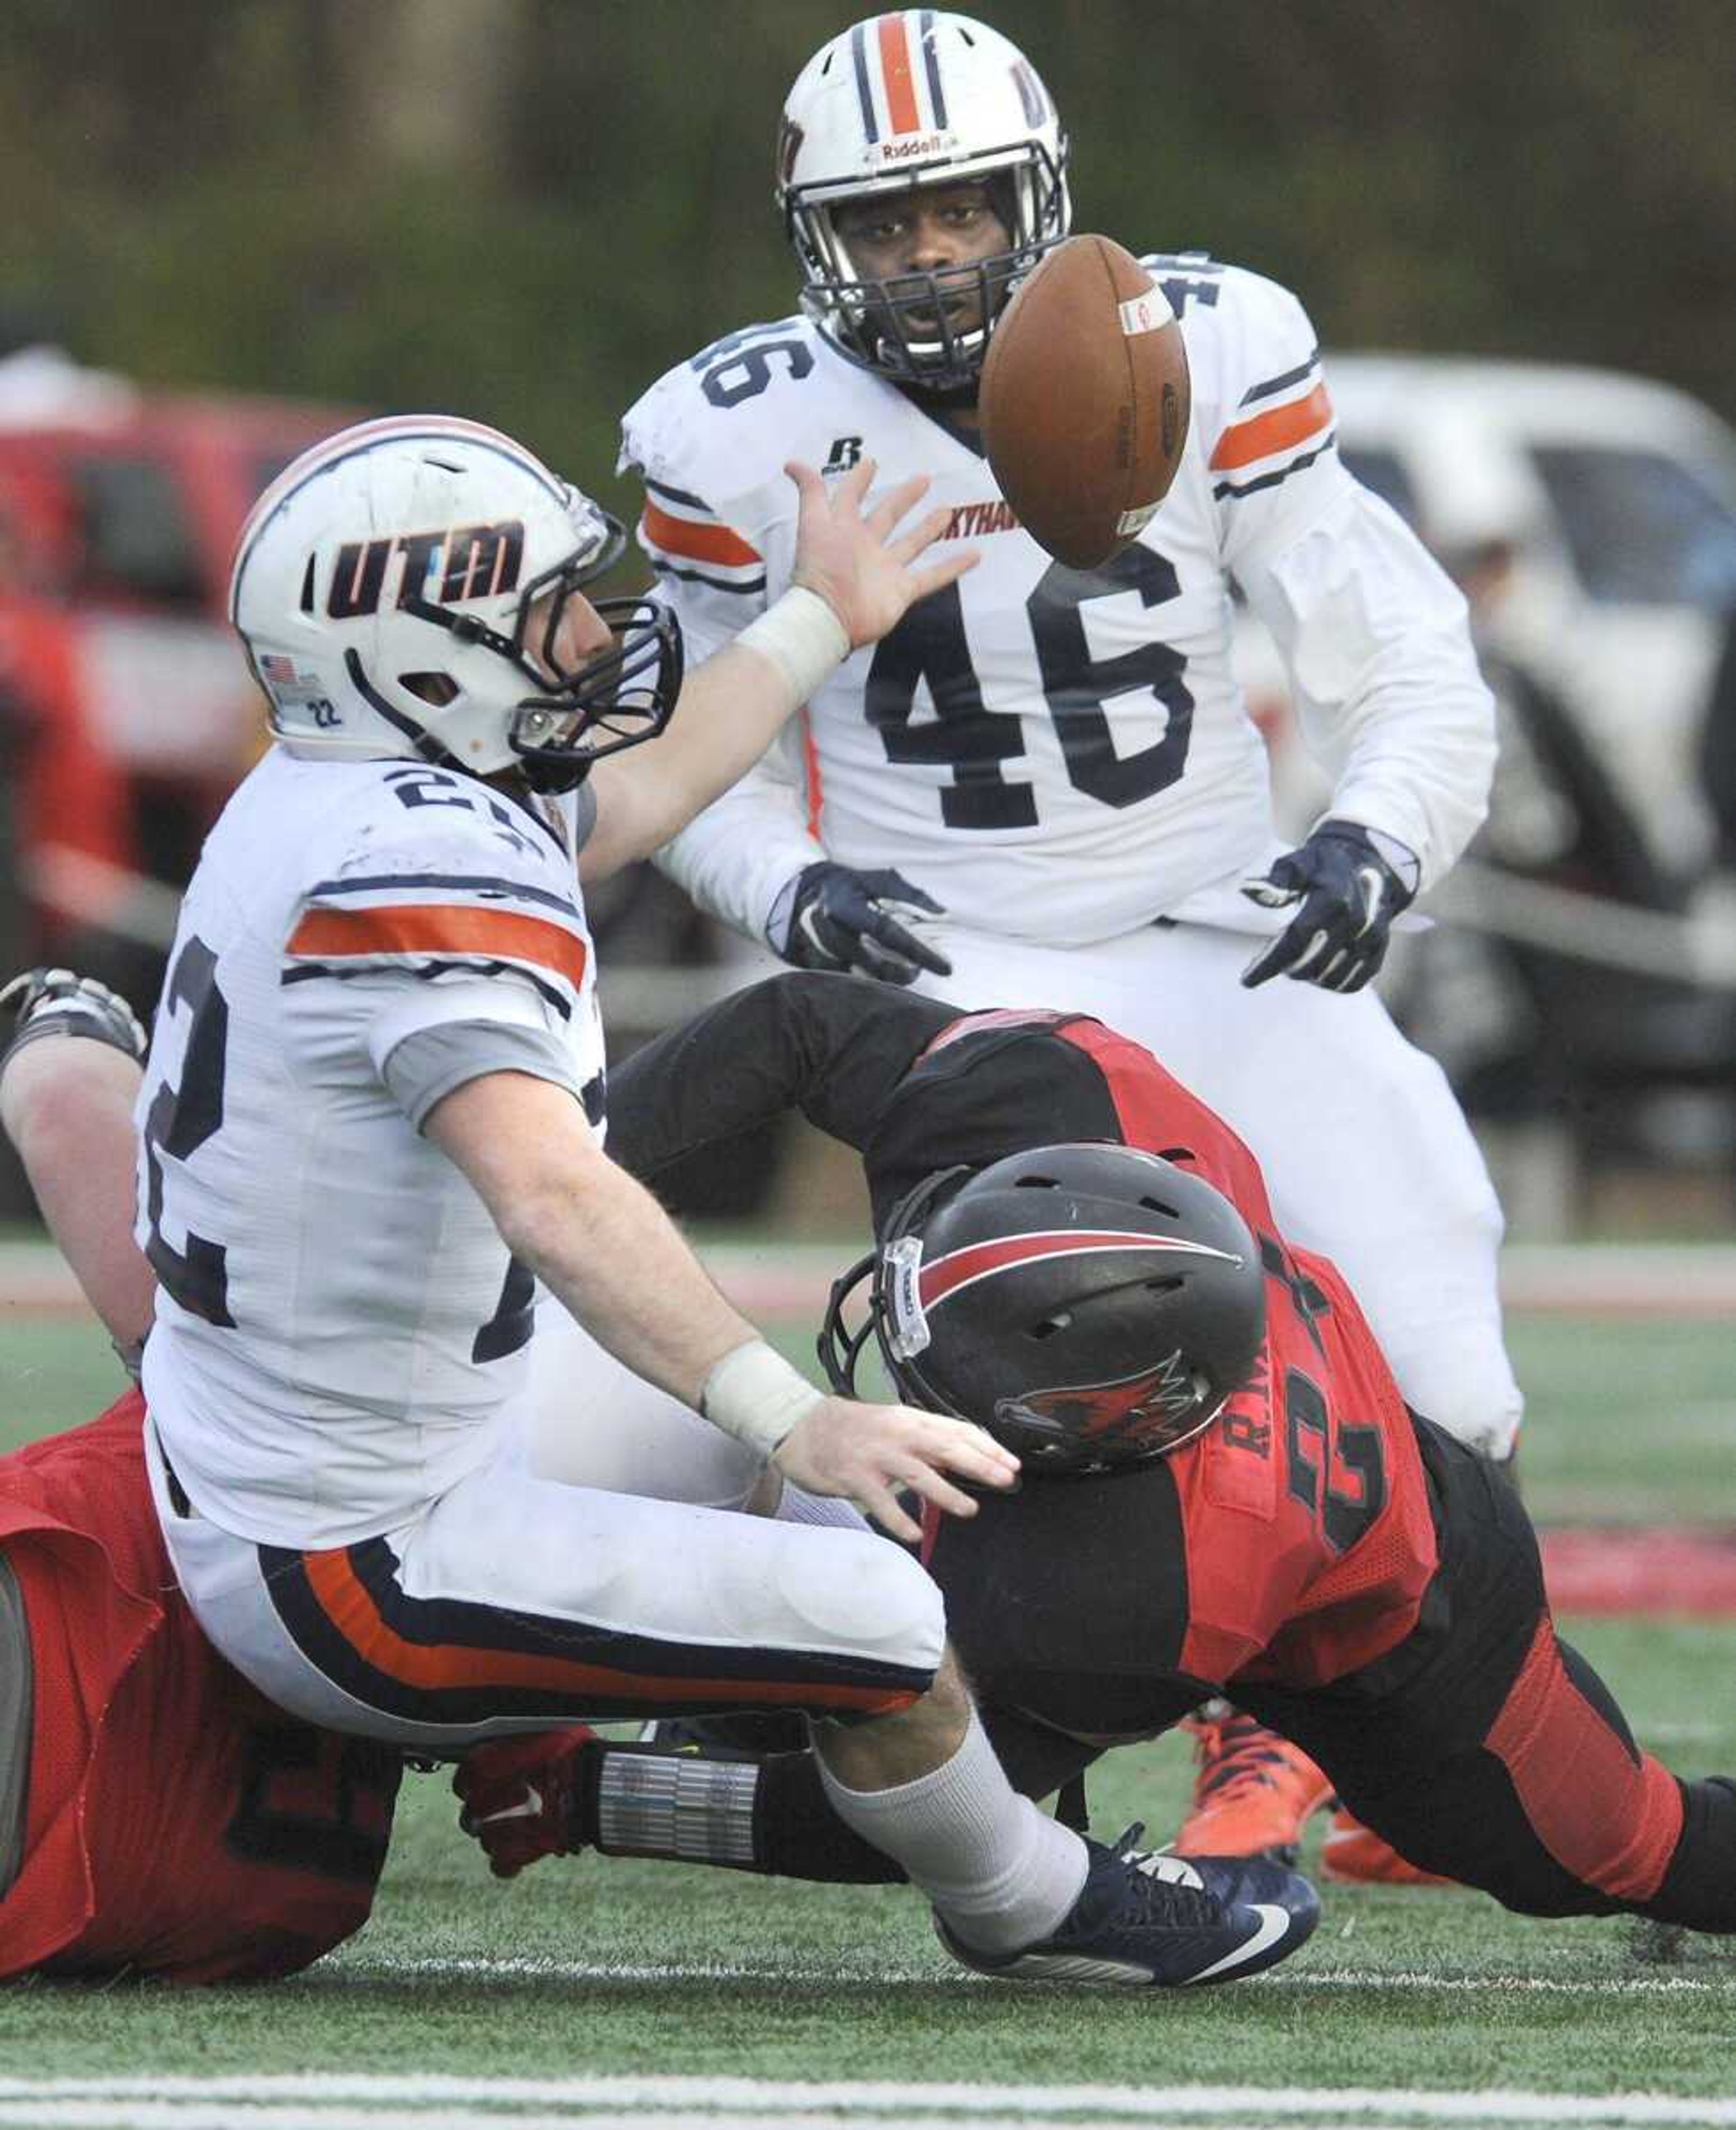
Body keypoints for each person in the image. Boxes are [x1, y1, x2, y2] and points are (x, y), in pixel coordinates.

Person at [118, 410, 1318, 1990]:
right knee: (878, 1615)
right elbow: (554, 1192)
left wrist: (826, 611)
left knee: (856, 1507)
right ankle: (1035, 1909)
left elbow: (628, 800)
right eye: (538, 608)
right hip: (357, 1546)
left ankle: (677, 1735)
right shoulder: (410, 871)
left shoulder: (343, 781)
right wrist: (782, 1410)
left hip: (362, 1424)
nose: (584, 633)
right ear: (416, 658)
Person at [617, 11, 1518, 1873]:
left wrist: (1374, 840)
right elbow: (688, 756)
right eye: (887, 223)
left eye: (963, 210)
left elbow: (1406, 652)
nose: (932, 255)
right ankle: (916, 1707)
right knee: (1038, 1400)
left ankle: (1379, 1738)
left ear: (1041, 202)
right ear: (815, 239)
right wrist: (787, 891)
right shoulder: (732, 433)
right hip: (952, 972)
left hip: (1213, 930)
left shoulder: (1195, 345)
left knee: (1442, 1349)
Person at [455, 969, 1736, 1946]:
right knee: (797, 1575)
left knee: (1625, 1852)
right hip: (1173, 1517)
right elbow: (800, 1024)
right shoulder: (1054, 1098)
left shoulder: (1139, 1582)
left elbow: (940, 1818)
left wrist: (589, 1799)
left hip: (1408, 1632)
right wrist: (557, 1168)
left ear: (1082, 1438)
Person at [0, 968, 402, 1982]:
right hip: (198, 1895)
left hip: (62, 1654)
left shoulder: (257, 1377)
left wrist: (71, 1014)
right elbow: (565, 1791)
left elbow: (58, 1104)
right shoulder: (494, 1528)